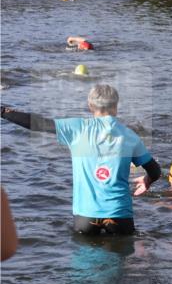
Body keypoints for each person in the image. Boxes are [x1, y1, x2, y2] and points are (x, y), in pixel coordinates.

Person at [0, 84, 160, 235]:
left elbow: (37, 124)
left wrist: (3, 111)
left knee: (86, 261)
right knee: (120, 259)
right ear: (116, 107)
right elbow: (155, 170)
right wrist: (147, 180)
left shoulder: (77, 128)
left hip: (86, 216)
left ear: (90, 106)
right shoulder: (130, 136)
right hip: (120, 214)